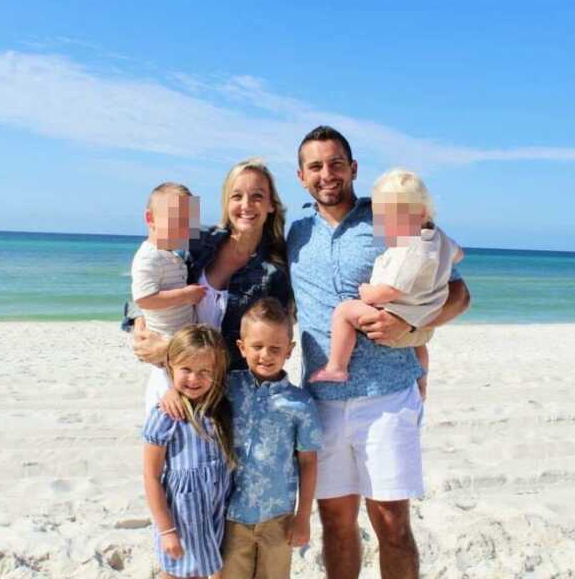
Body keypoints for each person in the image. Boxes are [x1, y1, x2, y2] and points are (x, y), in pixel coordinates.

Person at [288, 126, 470, 578]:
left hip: (387, 396)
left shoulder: (393, 215)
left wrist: (411, 322)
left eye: (335, 164)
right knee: (335, 523)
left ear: (353, 168)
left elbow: (461, 294)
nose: (326, 174)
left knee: (392, 524)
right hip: (321, 401)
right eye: (315, 166)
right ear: (300, 176)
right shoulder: (294, 234)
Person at [131, 158, 292, 371]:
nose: (246, 205)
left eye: (257, 196)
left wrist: (173, 349)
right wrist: (137, 320)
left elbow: (267, 346)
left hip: (233, 385)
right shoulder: (198, 241)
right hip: (182, 377)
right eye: (237, 196)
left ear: (271, 204)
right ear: (227, 202)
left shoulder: (276, 272)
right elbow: (152, 276)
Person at [311, 168, 463, 383]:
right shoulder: (437, 237)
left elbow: (390, 290)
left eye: (393, 216)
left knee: (344, 311)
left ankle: (337, 366)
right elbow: (459, 254)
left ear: (420, 213)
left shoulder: (410, 247)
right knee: (419, 348)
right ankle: (422, 381)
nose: (385, 225)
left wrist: (367, 293)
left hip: (398, 324)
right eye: (381, 216)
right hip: (424, 325)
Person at [220, 297, 321, 578]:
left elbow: (309, 463)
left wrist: (303, 517)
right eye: (257, 347)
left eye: (275, 348)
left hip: (279, 516)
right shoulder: (227, 387)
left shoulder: (300, 403)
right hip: (230, 515)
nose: (266, 354)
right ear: (241, 347)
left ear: (289, 351)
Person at [142, 324, 235, 579]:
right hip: (181, 518)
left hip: (215, 513)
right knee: (176, 573)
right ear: (170, 365)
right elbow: (151, 477)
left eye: (205, 371)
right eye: (186, 369)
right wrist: (166, 530)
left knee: (212, 568)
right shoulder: (166, 416)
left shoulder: (220, 408)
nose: (194, 379)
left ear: (217, 371)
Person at [131, 182, 207, 413]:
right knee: (168, 393)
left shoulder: (171, 254)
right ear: (150, 218)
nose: (182, 229)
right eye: (174, 220)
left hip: (179, 337)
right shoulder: (148, 257)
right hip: (164, 336)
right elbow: (144, 299)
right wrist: (185, 295)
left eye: (186, 222)